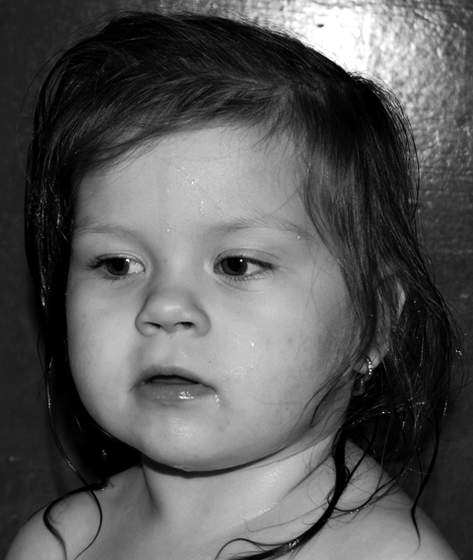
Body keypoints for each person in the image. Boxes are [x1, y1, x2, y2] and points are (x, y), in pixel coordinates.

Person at [6, 10, 460, 560]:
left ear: (374, 323)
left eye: (236, 265)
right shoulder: (59, 545)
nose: (164, 307)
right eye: (117, 264)